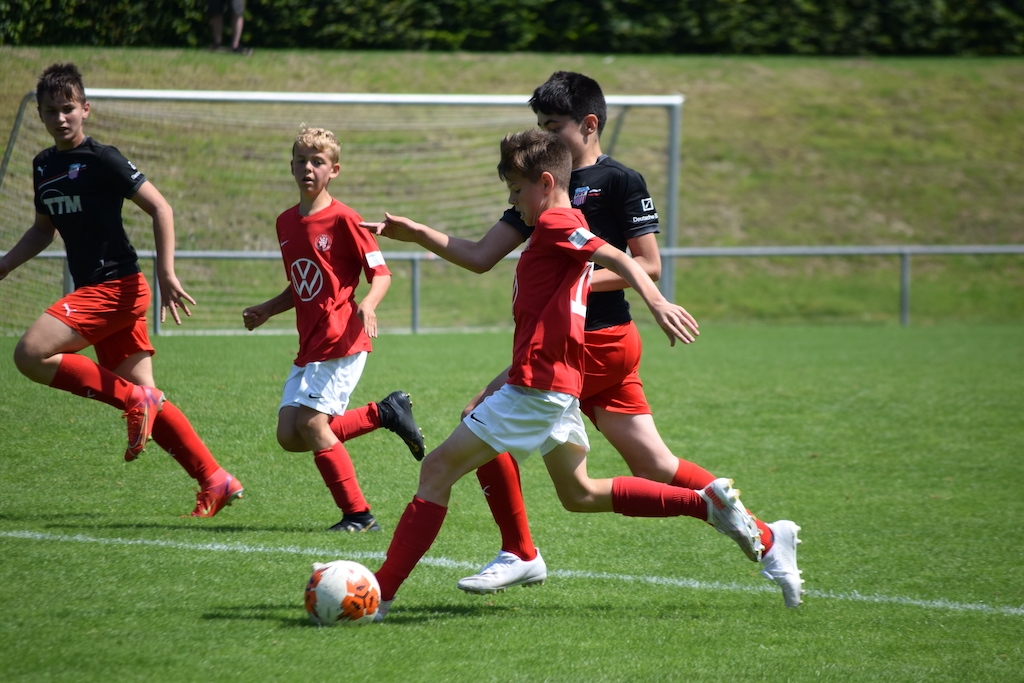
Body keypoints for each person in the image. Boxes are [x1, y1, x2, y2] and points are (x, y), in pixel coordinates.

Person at [362, 71, 803, 608]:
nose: (544, 134)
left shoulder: (597, 188)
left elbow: (641, 263)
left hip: (592, 343)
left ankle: (511, 553)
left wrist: (631, 296)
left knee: (468, 427)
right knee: (622, 478)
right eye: (540, 125)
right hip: (574, 353)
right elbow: (479, 255)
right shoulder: (536, 192)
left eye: (554, 126)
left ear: (588, 125)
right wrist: (419, 234)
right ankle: (761, 532)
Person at [0, 62, 243, 517]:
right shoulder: (43, 166)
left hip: (116, 288)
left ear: (85, 109)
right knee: (149, 394)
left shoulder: (103, 159)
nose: (61, 118)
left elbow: (161, 208)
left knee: (30, 354)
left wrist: (167, 272)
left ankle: (135, 400)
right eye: (51, 111)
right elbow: (42, 230)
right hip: (100, 291)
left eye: (69, 108)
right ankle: (215, 478)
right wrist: (6, 264)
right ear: (40, 114)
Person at [242, 125, 425, 533]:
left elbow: (381, 273)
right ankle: (385, 412)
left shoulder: (346, 218)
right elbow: (303, 283)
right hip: (310, 343)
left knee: (311, 425)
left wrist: (368, 304)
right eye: (301, 161)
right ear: (291, 166)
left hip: (342, 337)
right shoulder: (285, 223)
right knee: (290, 435)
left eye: (317, 162)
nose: (308, 168)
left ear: (334, 170)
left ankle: (359, 515)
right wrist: (268, 309)